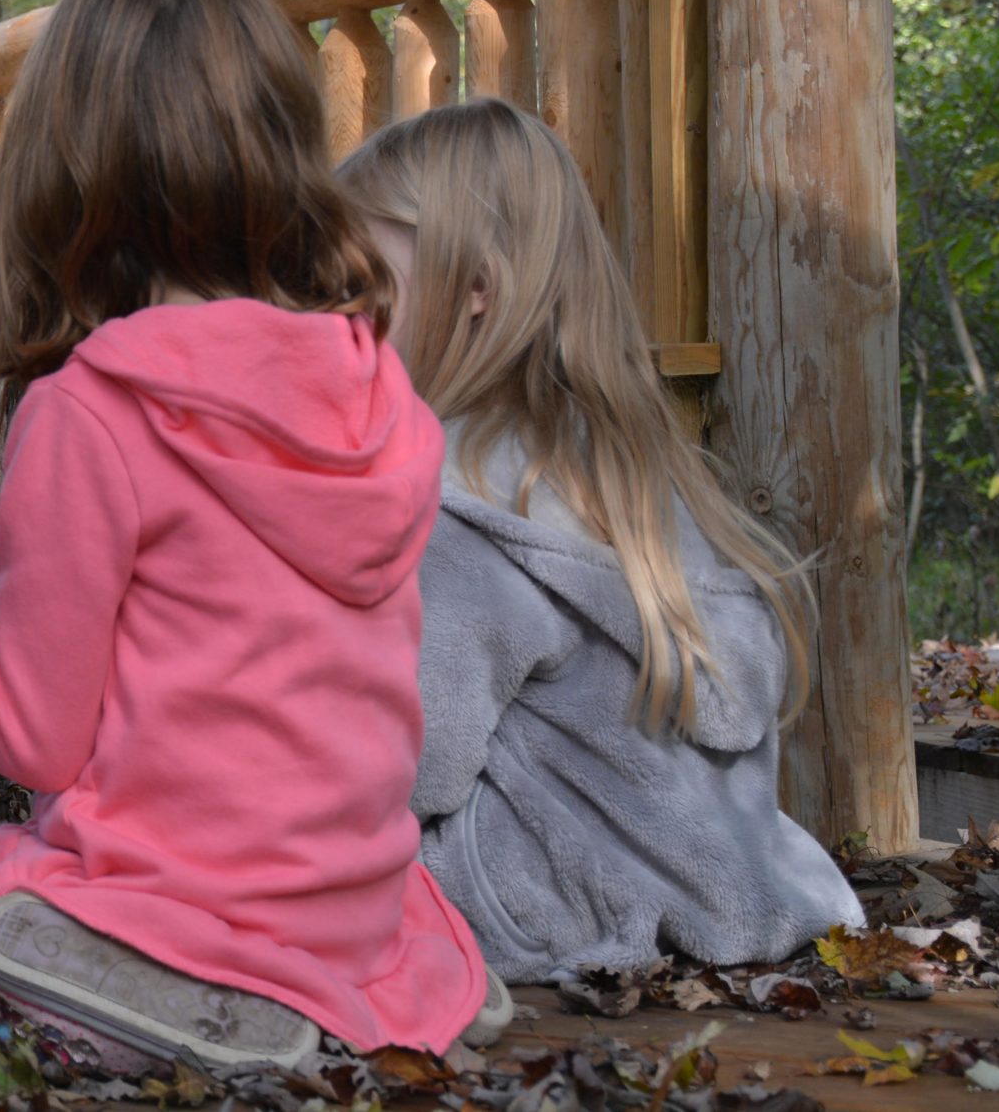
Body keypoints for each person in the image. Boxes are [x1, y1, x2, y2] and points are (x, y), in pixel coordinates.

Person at [0, 0, 497, 1073]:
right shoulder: (372, 381)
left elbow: (32, 735)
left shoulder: (97, 408)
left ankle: (132, 1021)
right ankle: (301, 1010)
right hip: (348, 916)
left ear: (61, 164)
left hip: (168, 910)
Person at [336, 98, 861, 983]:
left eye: (361, 280)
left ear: (476, 288)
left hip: (535, 904)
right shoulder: (626, 470)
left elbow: (402, 765)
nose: (334, 310)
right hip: (720, 889)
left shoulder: (453, 511)